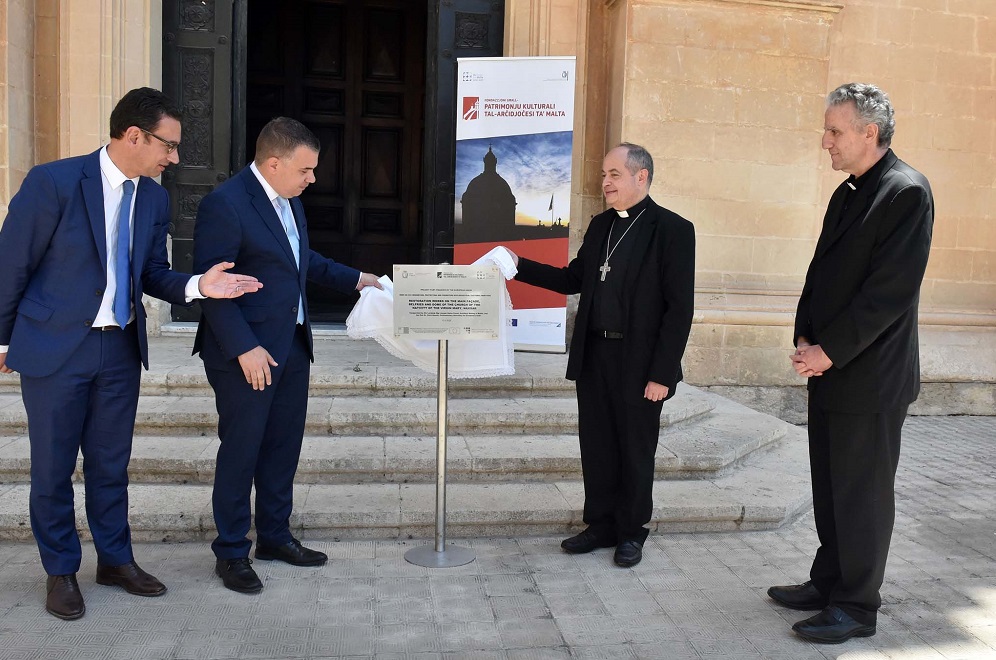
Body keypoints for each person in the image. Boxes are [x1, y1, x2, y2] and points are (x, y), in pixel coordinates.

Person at [0, 87, 262, 621]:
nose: (174, 158)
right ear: (134, 135)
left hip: (118, 349)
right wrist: (4, 340)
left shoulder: (155, 198)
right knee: (52, 467)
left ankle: (115, 560)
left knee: (110, 464)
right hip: (55, 349)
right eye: (168, 146)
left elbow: (151, 274)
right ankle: (61, 571)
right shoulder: (53, 182)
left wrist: (199, 287)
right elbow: (12, 265)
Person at [768, 83, 934, 644]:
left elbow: (886, 294)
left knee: (861, 494)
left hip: (872, 377)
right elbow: (821, 276)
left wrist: (828, 350)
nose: (824, 141)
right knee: (830, 486)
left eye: (834, 130)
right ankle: (829, 581)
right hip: (831, 370)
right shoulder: (848, 193)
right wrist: (805, 338)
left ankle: (858, 606)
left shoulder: (906, 193)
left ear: (871, 132)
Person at [193, 117, 382, 593]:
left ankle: (274, 536)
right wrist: (244, 348)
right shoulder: (225, 204)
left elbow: (304, 262)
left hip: (292, 345)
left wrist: (359, 279)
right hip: (246, 354)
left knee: (282, 449)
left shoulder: (289, 203)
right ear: (274, 163)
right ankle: (232, 551)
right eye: (306, 170)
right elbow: (213, 287)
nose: (312, 179)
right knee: (242, 451)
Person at [505, 143, 695, 567]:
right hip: (596, 355)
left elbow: (680, 308)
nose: (604, 182)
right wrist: (519, 265)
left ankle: (631, 531)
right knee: (597, 445)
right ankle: (601, 524)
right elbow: (575, 277)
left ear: (640, 176)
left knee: (635, 447)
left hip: (641, 361)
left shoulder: (673, 230)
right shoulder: (600, 226)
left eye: (613, 174)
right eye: (603, 174)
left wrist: (662, 374)